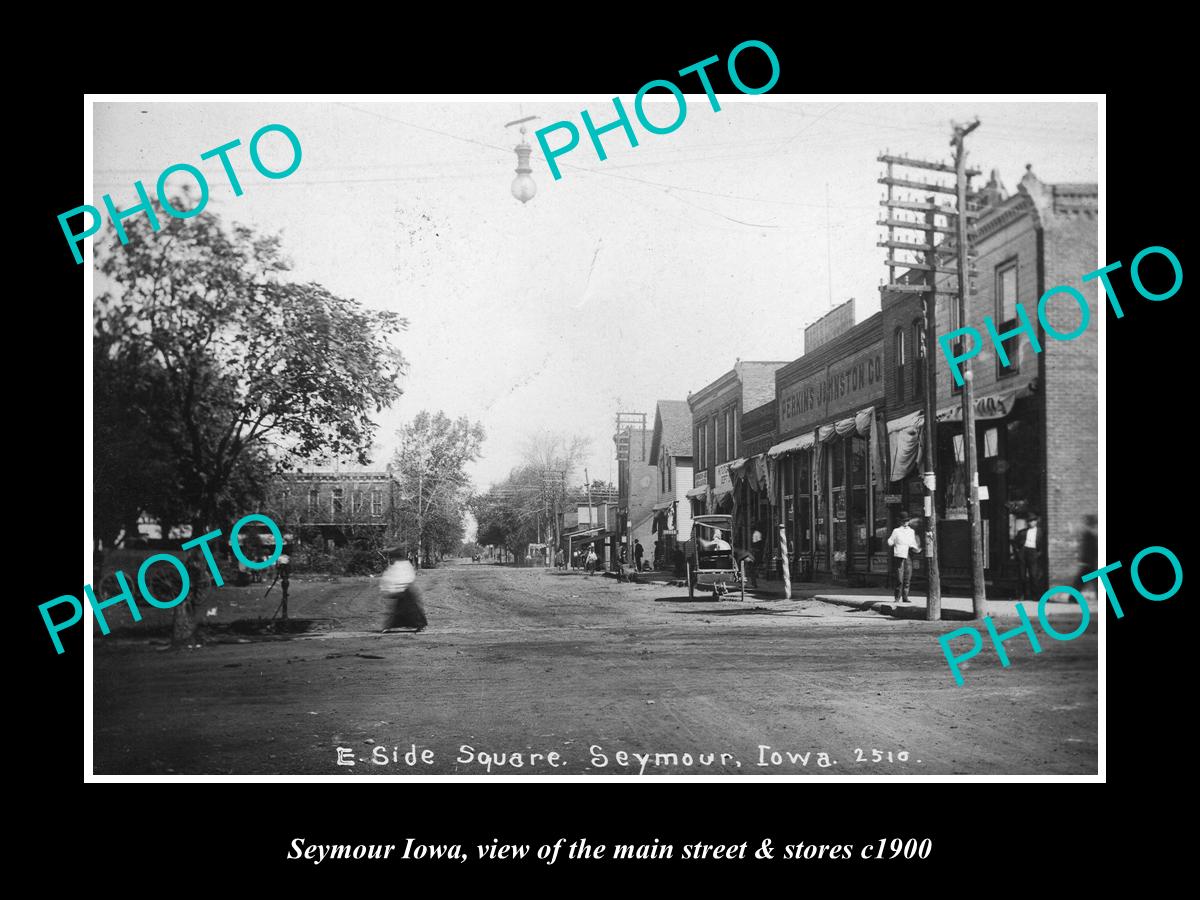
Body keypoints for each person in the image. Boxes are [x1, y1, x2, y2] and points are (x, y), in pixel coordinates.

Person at [380, 549, 428, 633]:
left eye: (393, 557)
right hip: (403, 591)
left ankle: (420, 625)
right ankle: (389, 626)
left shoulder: (402, 565)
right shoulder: (400, 565)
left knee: (410, 611)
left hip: (406, 590)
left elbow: (405, 577)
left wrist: (391, 589)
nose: (392, 559)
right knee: (402, 611)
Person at [887, 516, 922, 603]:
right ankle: (897, 597)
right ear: (900, 522)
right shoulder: (896, 531)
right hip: (899, 555)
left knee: (908, 577)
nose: (905, 523)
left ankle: (905, 597)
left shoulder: (911, 531)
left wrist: (916, 548)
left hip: (909, 555)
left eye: (907, 521)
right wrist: (892, 543)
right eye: (903, 521)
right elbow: (890, 541)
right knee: (899, 578)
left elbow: (913, 543)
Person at [1012, 513, 1044, 601]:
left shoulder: (1041, 532)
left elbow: (1043, 544)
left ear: (1036, 522)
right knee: (1022, 575)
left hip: (1033, 552)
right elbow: (1014, 543)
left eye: (1032, 521)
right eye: (1029, 521)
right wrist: (1017, 552)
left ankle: (1035, 596)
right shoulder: (1022, 532)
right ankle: (1022, 595)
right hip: (1023, 552)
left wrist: (1039, 553)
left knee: (1033, 575)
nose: (1031, 523)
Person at [1075, 514, 1098, 594]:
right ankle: (1073, 597)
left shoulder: (1089, 535)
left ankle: (1073, 597)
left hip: (1088, 562)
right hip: (1088, 562)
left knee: (1081, 581)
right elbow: (1086, 549)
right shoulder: (1088, 535)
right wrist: (1084, 561)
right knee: (1080, 581)